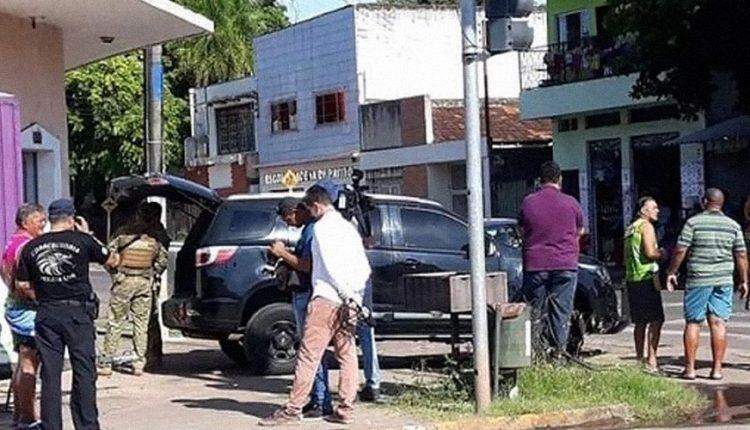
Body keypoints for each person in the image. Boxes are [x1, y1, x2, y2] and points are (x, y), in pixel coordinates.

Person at [260, 185, 371, 426]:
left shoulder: (321, 228)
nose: (309, 213)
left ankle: (292, 409)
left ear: (317, 205)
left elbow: (328, 266)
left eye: (310, 208)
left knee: (309, 355)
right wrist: (354, 298)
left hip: (327, 298)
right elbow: (364, 267)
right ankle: (345, 409)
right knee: (347, 354)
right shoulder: (348, 227)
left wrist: (341, 292)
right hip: (351, 300)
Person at [15, 199, 118, 430]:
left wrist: (41, 295)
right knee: (83, 370)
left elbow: (22, 284)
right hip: (77, 314)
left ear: (50, 220)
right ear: (72, 219)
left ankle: (51, 425)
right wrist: (89, 234)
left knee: (50, 374)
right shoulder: (83, 240)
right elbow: (113, 259)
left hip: (47, 313)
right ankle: (87, 425)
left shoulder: (32, 246)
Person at [666, 188, 748, 380]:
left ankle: (690, 369)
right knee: (718, 323)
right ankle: (717, 369)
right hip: (724, 280)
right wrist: (744, 280)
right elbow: (741, 254)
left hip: (698, 279)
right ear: (722, 203)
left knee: (694, 322)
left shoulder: (693, 223)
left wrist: (672, 272)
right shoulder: (733, 225)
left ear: (704, 202)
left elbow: (680, 250)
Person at [268, 198, 333, 418]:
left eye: (288, 218)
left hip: (307, 294)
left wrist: (282, 253)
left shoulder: (312, 230)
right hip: (304, 294)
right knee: (313, 350)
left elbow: (307, 265)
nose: (288, 223)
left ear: (296, 211)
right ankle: (318, 398)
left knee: (311, 350)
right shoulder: (308, 229)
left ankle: (320, 400)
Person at [518, 161, 584, 357]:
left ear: (540, 181)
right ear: (559, 180)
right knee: (561, 312)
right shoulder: (571, 203)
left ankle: (535, 354)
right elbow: (579, 231)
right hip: (565, 264)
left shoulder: (528, 202)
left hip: (536, 264)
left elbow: (522, 230)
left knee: (534, 311)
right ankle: (558, 354)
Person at [98, 214, 168, 376]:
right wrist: (152, 274)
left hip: (124, 281)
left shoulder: (122, 235)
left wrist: (115, 275)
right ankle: (138, 363)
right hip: (144, 283)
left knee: (115, 322)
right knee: (141, 324)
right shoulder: (154, 238)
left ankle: (107, 362)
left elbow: (108, 257)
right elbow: (162, 261)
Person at [2, 204, 47, 430]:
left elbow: (6, 273)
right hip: (27, 310)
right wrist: (41, 299)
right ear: (26, 221)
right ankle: (28, 418)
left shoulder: (12, 243)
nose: (44, 224)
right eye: (40, 220)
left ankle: (20, 415)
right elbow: (22, 284)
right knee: (30, 363)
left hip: (14, 308)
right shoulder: (27, 246)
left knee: (22, 361)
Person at [623, 197, 669, 372]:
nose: (657, 211)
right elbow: (650, 252)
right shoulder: (646, 226)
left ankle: (639, 359)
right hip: (646, 277)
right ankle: (651, 360)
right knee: (657, 319)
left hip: (632, 278)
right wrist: (662, 253)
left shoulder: (631, 228)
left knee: (640, 322)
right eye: (654, 208)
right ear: (643, 210)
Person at [138, 202, 171, 371]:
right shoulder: (147, 232)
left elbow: (161, 261)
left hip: (150, 279)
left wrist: (150, 272)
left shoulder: (158, 234)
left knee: (150, 317)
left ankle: (153, 355)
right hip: (143, 278)